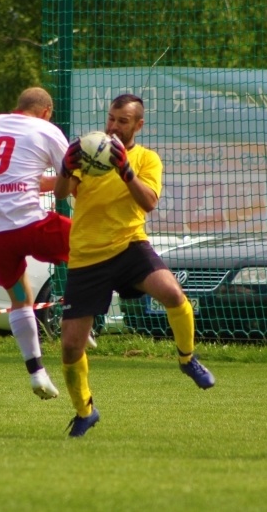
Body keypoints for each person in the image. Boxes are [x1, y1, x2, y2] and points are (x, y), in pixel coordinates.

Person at [54, 94, 216, 437]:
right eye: (111, 118)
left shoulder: (146, 158)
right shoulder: (88, 152)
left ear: (138, 125)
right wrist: (65, 168)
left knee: (173, 293)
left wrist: (126, 169)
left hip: (130, 246)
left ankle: (187, 359)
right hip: (87, 256)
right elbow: (59, 195)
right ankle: (85, 411)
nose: (113, 126)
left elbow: (149, 203)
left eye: (122, 121)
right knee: (70, 346)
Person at [0, 86, 75, 400]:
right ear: (46, 113)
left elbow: (12, 175)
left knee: (21, 297)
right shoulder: (47, 129)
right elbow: (70, 183)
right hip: (28, 223)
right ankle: (77, 311)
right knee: (90, 245)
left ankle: (37, 371)